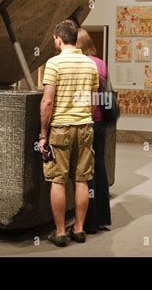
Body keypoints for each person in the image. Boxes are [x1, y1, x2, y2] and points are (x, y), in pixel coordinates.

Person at [39, 20, 99, 247]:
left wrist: (43, 134)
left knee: (58, 179)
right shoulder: (90, 64)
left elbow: (47, 102)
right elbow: (94, 100)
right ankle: (80, 229)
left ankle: (61, 232)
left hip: (61, 127)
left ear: (58, 38)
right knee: (82, 178)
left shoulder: (54, 64)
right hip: (84, 126)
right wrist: (83, 116)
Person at [76, 28, 112, 234]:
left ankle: (88, 222)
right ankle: (101, 218)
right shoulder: (100, 62)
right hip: (100, 120)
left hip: (86, 120)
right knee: (99, 168)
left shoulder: (83, 64)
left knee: (85, 171)